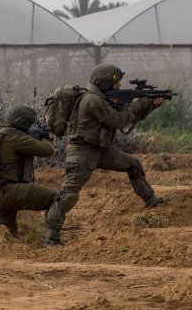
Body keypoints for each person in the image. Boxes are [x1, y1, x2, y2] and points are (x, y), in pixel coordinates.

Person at [43, 63, 166, 248]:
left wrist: (149, 106)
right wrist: (141, 103)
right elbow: (118, 120)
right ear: (104, 83)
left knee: (133, 165)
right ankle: (51, 238)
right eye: (115, 84)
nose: (118, 87)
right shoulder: (93, 101)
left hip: (100, 150)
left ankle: (151, 201)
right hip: (82, 152)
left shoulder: (102, 99)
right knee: (68, 195)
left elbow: (125, 118)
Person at [0, 104, 63, 242]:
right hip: (8, 192)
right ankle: (52, 241)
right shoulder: (16, 138)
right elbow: (48, 150)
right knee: (57, 198)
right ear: (23, 123)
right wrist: (48, 138)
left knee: (6, 238)